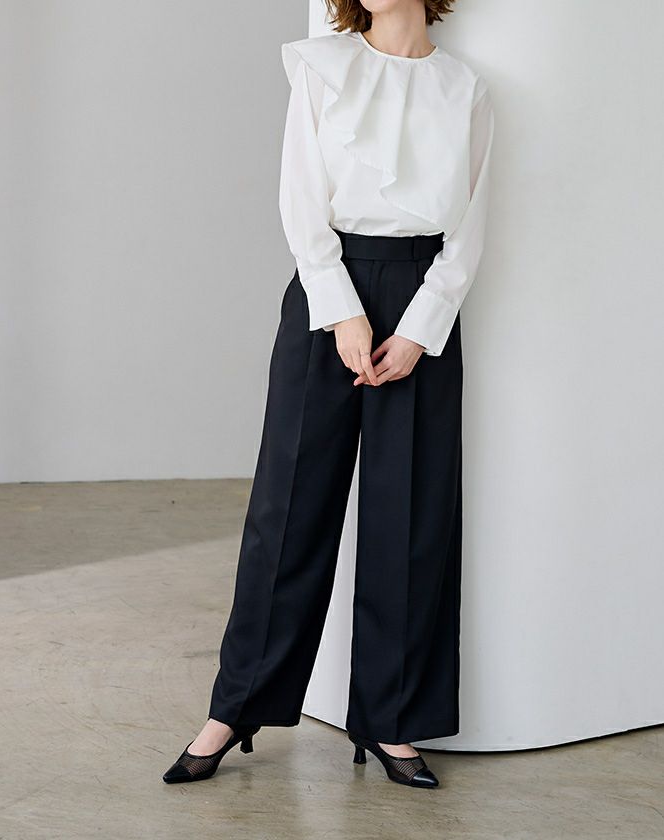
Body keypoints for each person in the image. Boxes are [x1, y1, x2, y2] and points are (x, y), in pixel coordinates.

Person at [163, 0, 494, 790]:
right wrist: (342, 310)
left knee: (409, 517)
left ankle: (390, 718)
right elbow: (301, 198)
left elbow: (472, 226)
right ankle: (237, 705)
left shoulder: (466, 89)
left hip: (421, 303)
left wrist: (420, 329)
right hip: (327, 291)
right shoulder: (322, 65)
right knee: (287, 507)